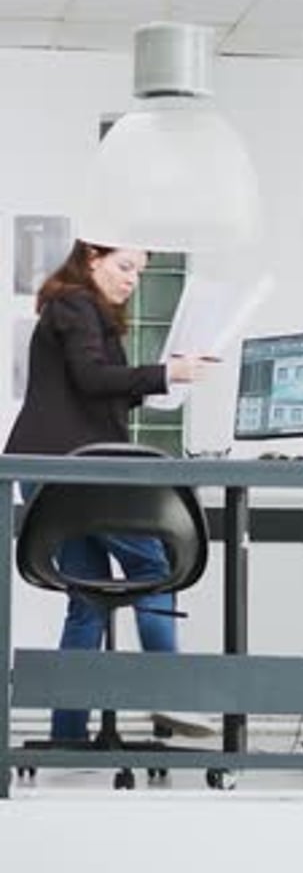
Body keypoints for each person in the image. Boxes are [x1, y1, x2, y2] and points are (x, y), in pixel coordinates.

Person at [4, 239, 215, 741]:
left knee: (89, 599)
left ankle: (68, 734)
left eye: (139, 272)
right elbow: (93, 378)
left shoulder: (78, 309)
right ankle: (170, 696)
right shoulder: (76, 304)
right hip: (73, 476)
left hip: (52, 475)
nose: (132, 280)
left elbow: (98, 393)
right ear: (92, 258)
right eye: (124, 267)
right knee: (154, 569)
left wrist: (162, 381)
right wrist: (168, 373)